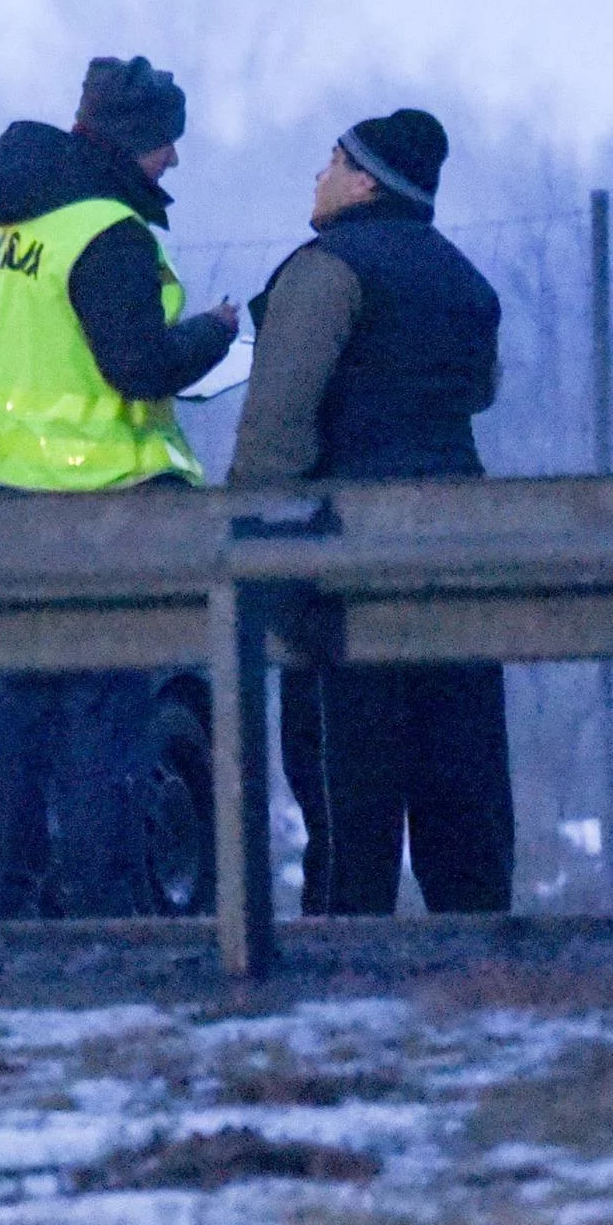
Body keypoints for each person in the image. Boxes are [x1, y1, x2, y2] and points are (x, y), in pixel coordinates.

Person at [0, 56, 239, 916]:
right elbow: (139, 368)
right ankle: (104, 902)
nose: (172, 162)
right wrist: (217, 334)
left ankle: (11, 896)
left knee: (24, 706)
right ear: (128, 142)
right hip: (100, 501)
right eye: (163, 143)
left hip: (3, 497)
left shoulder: (4, 226)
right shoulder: (108, 230)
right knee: (105, 713)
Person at [230, 108, 512, 915]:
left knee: (351, 823)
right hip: (461, 569)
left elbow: (276, 429)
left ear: (364, 181)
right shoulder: (467, 281)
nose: (316, 176)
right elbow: (479, 391)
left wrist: (255, 561)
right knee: (465, 815)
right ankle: (484, 986)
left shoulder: (326, 270)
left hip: (343, 578)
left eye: (330, 161)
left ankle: (341, 992)